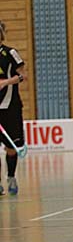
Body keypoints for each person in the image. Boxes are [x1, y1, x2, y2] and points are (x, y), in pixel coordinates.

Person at [0, 20, 27, 195]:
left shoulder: (11, 53)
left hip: (10, 107)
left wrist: (5, 82)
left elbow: (23, 75)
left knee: (11, 148)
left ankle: (11, 177)